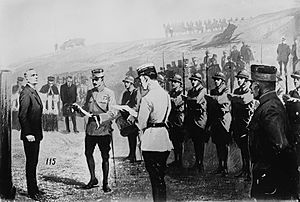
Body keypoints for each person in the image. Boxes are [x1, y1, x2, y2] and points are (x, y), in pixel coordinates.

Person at [248, 64, 298, 200]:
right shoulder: (268, 105)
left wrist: (267, 173)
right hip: (268, 177)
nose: (250, 88)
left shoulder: (271, 109)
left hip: (271, 181)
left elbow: (280, 145)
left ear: (258, 86)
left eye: (252, 84)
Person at [136, 63, 173, 202]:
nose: (141, 83)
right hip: (163, 138)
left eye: (141, 80)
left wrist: (130, 115)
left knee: (154, 179)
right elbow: (165, 116)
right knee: (160, 178)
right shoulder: (166, 95)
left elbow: (141, 123)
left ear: (145, 78)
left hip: (151, 140)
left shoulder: (147, 98)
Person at [80, 68, 117, 192]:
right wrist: (78, 110)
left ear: (102, 79)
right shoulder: (90, 93)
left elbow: (113, 112)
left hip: (103, 129)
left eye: (97, 80)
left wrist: (100, 117)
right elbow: (86, 109)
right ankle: (93, 178)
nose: (94, 82)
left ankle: (105, 183)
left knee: (105, 156)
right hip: (91, 129)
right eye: (93, 80)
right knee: (88, 153)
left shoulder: (109, 93)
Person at [18, 68, 44, 201]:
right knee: (31, 162)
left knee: (34, 162)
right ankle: (32, 191)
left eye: (36, 74)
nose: (36, 77)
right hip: (30, 135)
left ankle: (34, 188)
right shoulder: (26, 93)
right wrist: (27, 133)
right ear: (27, 78)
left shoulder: (33, 91)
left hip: (36, 134)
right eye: (32, 75)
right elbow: (22, 115)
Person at [228, 70, 254, 181]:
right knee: (242, 149)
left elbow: (244, 100)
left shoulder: (250, 91)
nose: (239, 80)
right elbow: (233, 108)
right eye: (238, 78)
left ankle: (249, 173)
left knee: (247, 150)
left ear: (246, 81)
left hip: (246, 124)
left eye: (241, 78)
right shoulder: (236, 91)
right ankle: (244, 170)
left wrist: (232, 97)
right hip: (237, 123)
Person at [205, 72, 232, 176]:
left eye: (218, 79)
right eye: (215, 79)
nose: (216, 81)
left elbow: (221, 100)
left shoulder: (226, 90)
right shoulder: (213, 91)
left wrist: (211, 98)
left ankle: (225, 167)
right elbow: (211, 107)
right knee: (218, 144)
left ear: (222, 81)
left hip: (224, 119)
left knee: (224, 144)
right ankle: (220, 166)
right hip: (215, 119)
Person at [184, 73, 208, 173]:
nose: (193, 82)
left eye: (195, 80)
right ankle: (197, 162)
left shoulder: (203, 90)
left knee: (200, 143)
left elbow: (197, 100)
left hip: (200, 119)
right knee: (195, 142)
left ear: (199, 81)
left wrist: (187, 99)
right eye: (192, 80)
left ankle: (200, 163)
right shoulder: (191, 91)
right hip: (192, 119)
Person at [283, 70, 300, 195]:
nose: (295, 81)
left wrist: (297, 101)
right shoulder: (291, 93)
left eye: (297, 79)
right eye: (294, 79)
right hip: (293, 133)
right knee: (293, 161)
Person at [120, 75, 140, 163]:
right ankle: (131, 154)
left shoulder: (136, 92)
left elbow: (137, 106)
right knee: (130, 136)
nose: (125, 84)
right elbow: (123, 104)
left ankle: (135, 156)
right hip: (127, 118)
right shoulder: (125, 93)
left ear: (131, 83)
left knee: (134, 136)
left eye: (127, 82)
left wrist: (131, 113)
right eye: (125, 82)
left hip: (134, 117)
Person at [168, 74, 185, 168]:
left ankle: (180, 160)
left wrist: (169, 99)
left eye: (175, 82)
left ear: (179, 83)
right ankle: (176, 159)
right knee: (174, 140)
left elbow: (176, 102)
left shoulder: (181, 92)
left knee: (179, 140)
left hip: (179, 118)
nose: (173, 83)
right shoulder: (172, 92)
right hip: (172, 118)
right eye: (172, 82)